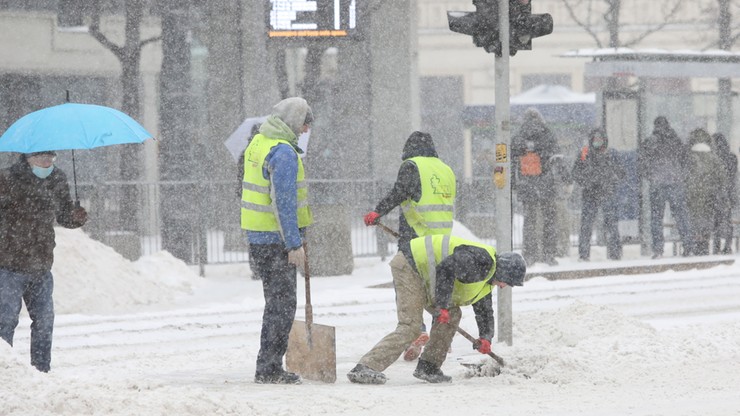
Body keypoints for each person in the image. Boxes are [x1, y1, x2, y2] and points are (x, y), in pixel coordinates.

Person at [347, 234, 526, 384]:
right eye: (508, 283)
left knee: (453, 314)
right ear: (504, 273)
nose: (504, 287)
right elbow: (446, 268)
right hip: (411, 266)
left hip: (429, 277)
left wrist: (486, 337)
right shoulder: (482, 262)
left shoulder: (487, 281)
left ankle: (428, 366)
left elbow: (485, 311)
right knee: (411, 326)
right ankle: (365, 367)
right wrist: (441, 306)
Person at [362, 131, 456, 361]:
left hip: (416, 240)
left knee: (407, 287)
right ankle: (438, 336)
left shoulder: (412, 166)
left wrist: (378, 211)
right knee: (436, 290)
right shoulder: (445, 169)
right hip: (442, 242)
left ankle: (418, 330)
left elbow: (400, 192)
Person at [240, 97, 314, 384]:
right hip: (277, 240)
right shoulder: (282, 152)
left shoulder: (258, 143)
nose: (306, 130)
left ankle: (268, 364)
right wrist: (294, 244)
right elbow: (282, 202)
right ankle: (269, 367)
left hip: (259, 238)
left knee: (274, 303)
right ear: (295, 121)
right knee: (282, 306)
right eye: (306, 123)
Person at [0, 151, 88, 372]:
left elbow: (64, 215)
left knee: (45, 321)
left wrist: (75, 217)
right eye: (42, 158)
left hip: (41, 263)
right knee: (6, 321)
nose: (47, 163)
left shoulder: (57, 178)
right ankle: (3, 372)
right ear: (28, 158)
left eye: (51, 159)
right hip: (9, 264)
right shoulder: (7, 178)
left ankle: (41, 370)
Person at [511, 108, 560, 266]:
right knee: (549, 220)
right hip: (546, 183)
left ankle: (529, 254)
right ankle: (548, 254)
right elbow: (556, 158)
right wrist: (564, 179)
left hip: (526, 183)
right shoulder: (547, 134)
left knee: (530, 221)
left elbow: (512, 162)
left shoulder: (519, 137)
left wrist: (513, 183)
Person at [639, 116, 692, 258]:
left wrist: (650, 176)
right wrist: (681, 176)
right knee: (681, 216)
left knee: (656, 218)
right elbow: (686, 160)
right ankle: (688, 246)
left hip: (657, 185)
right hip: (675, 183)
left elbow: (641, 163)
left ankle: (658, 250)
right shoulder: (676, 140)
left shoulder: (650, 142)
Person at [571, 128, 625, 261]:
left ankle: (614, 253)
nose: (597, 142)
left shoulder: (611, 154)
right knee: (587, 225)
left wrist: (610, 179)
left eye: (600, 140)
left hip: (606, 192)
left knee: (610, 224)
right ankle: (584, 254)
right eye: (595, 140)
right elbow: (576, 172)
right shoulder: (584, 154)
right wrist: (587, 182)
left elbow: (622, 173)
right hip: (591, 193)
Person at [685, 128, 725, 256]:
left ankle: (695, 244)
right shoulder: (714, 158)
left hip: (692, 195)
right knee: (706, 220)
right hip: (709, 194)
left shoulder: (688, 157)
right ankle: (704, 244)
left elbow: (683, 176)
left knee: (694, 219)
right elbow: (721, 177)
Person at [712, 133, 737, 254]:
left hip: (717, 193)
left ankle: (717, 246)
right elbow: (733, 176)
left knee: (716, 220)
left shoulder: (714, 157)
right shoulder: (731, 157)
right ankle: (727, 245)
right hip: (728, 193)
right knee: (726, 220)